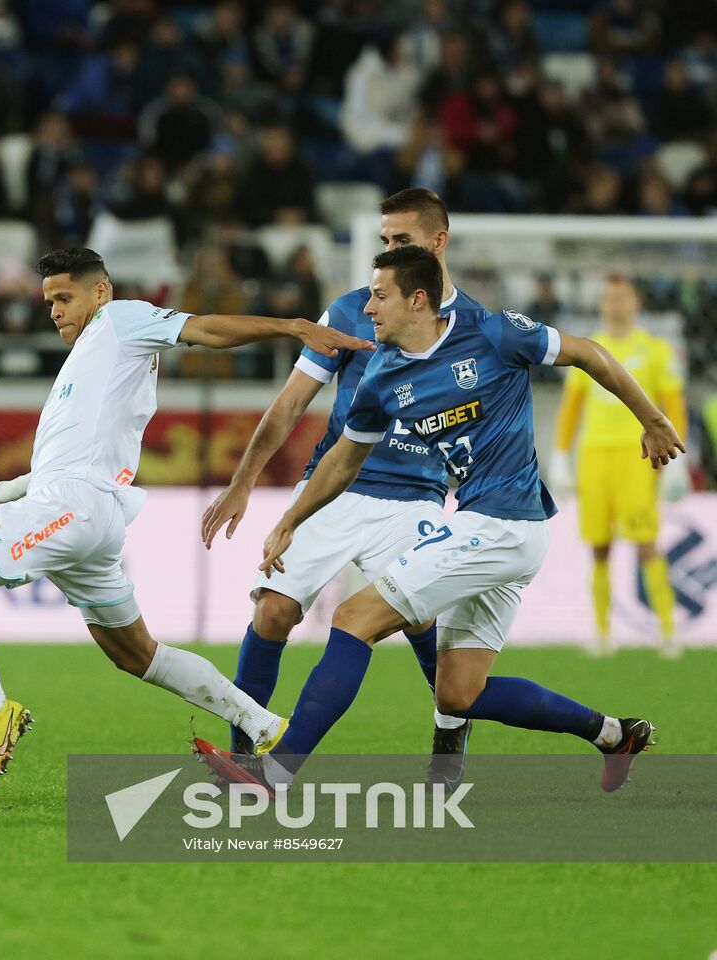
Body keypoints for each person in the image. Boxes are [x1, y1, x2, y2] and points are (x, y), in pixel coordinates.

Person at [0, 247, 375, 791]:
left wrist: (291, 326)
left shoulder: (120, 319)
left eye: (65, 298)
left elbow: (206, 330)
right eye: (48, 302)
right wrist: (12, 487)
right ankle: (265, 724)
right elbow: (77, 451)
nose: (55, 311)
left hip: (73, 506)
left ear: (100, 292)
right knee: (137, 654)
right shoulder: (93, 354)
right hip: (87, 512)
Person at [222, 245, 679, 794]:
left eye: (379, 295)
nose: (367, 308)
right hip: (493, 529)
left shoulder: (492, 334)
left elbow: (588, 352)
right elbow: (343, 459)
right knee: (457, 693)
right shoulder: (383, 377)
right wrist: (292, 518)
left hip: (502, 523)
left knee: (352, 618)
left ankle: (274, 773)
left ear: (418, 300)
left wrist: (651, 419)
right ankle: (613, 734)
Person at [201, 188, 487, 787]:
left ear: (438, 243)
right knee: (273, 610)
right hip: (333, 488)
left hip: (417, 496)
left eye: (401, 241)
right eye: (384, 241)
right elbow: (289, 406)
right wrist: (242, 482)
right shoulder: (352, 311)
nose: (387, 251)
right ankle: (245, 763)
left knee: (420, 625)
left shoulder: (476, 327)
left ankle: (449, 734)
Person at [550, 274, 688, 656]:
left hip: (637, 458)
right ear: (601, 305)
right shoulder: (588, 349)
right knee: (599, 545)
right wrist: (561, 455)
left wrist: (677, 461)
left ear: (636, 304)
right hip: (594, 456)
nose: (616, 304)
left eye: (623, 297)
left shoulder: (656, 350)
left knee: (645, 542)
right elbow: (571, 408)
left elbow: (672, 403)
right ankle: (602, 633)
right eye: (609, 298)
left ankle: (667, 629)